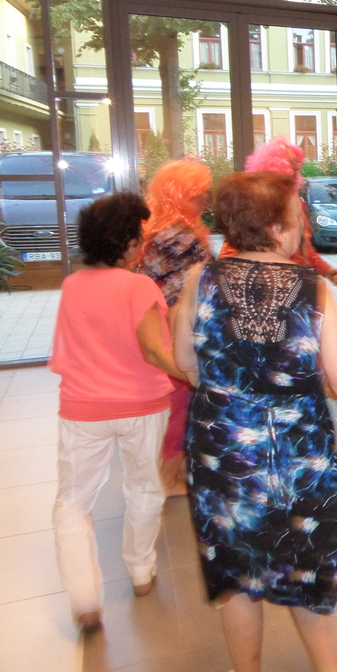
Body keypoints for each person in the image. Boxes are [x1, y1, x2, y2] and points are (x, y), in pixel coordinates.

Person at [173, 171, 337, 672]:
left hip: (221, 445)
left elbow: (186, 363)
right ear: (277, 228)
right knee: (306, 560)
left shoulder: (199, 280)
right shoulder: (315, 290)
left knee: (237, 571)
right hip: (298, 451)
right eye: (297, 217)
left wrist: (230, 393)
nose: (304, 226)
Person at [49, 192, 185, 635]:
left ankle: (85, 601)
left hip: (82, 407)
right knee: (144, 487)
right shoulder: (138, 286)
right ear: (126, 244)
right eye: (139, 239)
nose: (142, 246)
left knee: (73, 501)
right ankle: (141, 571)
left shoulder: (72, 285)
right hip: (142, 405)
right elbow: (153, 350)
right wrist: (197, 376)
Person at [136, 158, 213, 496]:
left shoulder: (156, 226)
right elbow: (193, 288)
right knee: (184, 403)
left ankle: (175, 470)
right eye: (199, 194)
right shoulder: (179, 234)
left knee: (178, 403)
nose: (205, 200)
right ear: (180, 195)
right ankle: (167, 479)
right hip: (176, 326)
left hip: (160, 322)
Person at [219, 136, 337, 285]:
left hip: (295, 282)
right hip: (268, 284)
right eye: (292, 162)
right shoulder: (255, 204)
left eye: (298, 162)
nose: (297, 167)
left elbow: (305, 248)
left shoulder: (295, 203)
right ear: (276, 165)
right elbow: (231, 249)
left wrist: (327, 270)